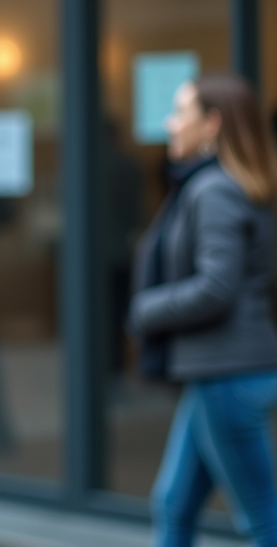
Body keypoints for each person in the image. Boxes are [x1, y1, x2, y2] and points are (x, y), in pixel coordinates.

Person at [130, 73, 277, 547]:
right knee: (174, 504)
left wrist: (147, 308)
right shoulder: (227, 184)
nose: (169, 124)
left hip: (227, 375)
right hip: (219, 372)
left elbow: (217, 287)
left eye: (180, 112)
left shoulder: (214, 190)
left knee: (263, 520)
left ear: (211, 124)